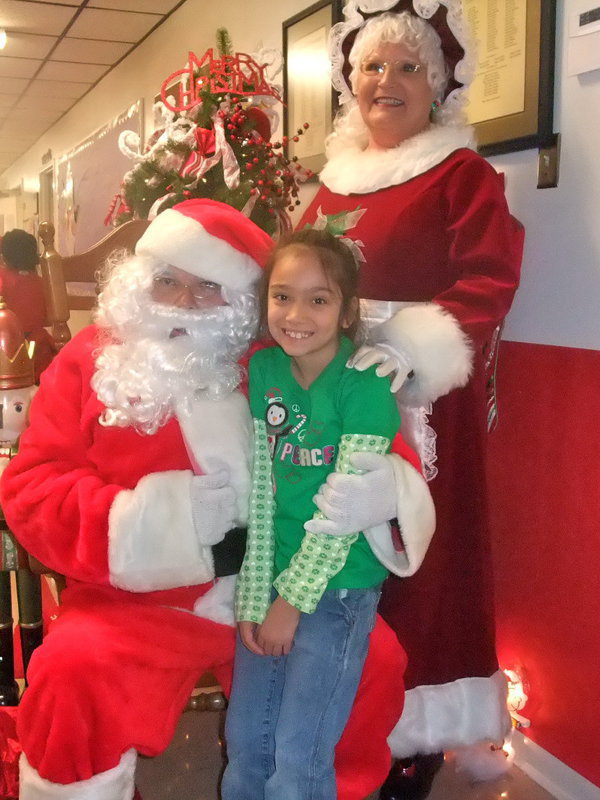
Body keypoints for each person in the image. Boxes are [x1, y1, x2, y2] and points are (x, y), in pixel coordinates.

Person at [0, 199, 433, 800]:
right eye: (166, 281)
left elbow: (371, 441)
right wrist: (162, 521)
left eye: (208, 288)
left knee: (373, 663)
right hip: (135, 603)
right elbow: (32, 486)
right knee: (72, 675)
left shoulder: (285, 362)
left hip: (283, 584)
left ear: (241, 303)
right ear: (137, 282)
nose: (181, 303)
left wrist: (388, 484)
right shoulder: (88, 363)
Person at [298, 3, 525, 798]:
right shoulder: (325, 187)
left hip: (415, 404)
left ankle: (410, 740)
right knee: (332, 559)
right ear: (348, 82)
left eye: (407, 68)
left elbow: (489, 280)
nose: (385, 82)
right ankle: (340, 715)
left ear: (438, 85)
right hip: (327, 399)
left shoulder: (464, 175)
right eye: (371, 67)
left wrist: (405, 352)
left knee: (416, 566)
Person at [221, 228, 417, 800]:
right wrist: (257, 594)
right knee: (248, 744)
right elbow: (263, 491)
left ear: (348, 310)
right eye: (282, 296)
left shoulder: (365, 389)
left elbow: (345, 513)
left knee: (299, 754)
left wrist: (290, 603)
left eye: (319, 298)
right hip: (275, 577)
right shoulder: (265, 372)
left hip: (338, 589)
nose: (296, 314)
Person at [0, 229, 56, 381]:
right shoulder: (41, 282)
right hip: (39, 347)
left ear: (4, 256)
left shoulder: (3, 278)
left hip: (9, 346)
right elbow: (48, 318)